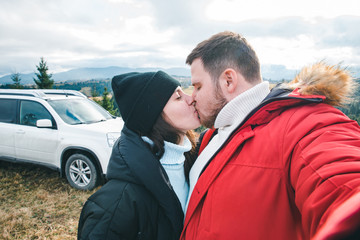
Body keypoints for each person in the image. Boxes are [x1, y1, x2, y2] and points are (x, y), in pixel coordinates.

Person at [181, 31, 360, 240]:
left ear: (228, 81)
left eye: (198, 87)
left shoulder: (305, 125)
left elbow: (344, 184)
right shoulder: (212, 136)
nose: (192, 98)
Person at [77, 71, 201, 240]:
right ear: (152, 115)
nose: (191, 98)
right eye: (178, 97)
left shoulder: (193, 160)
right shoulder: (116, 204)